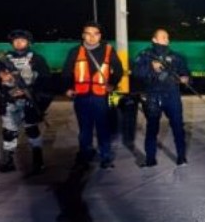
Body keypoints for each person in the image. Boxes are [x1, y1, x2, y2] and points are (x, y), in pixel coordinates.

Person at [0, 29, 52, 175]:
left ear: (28, 42)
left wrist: (33, 92)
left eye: (22, 39)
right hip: (9, 101)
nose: (18, 42)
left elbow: (46, 79)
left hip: (29, 101)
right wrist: (0, 74)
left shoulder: (37, 59)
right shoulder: (3, 59)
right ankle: (8, 160)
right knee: (9, 131)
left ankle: (38, 160)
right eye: (15, 40)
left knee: (32, 130)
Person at [62, 22, 124, 169]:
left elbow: (119, 70)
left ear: (99, 36)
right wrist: (67, 88)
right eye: (88, 33)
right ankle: (85, 155)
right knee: (85, 129)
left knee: (103, 127)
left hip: (100, 96)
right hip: (81, 95)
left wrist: (113, 84)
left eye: (95, 34)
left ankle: (106, 158)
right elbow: (66, 72)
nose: (91, 37)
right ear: (83, 35)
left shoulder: (109, 50)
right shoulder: (75, 51)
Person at [132, 28, 190, 167]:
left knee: (178, 127)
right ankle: (150, 159)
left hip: (172, 95)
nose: (166, 39)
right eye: (163, 36)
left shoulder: (175, 56)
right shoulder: (145, 55)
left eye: (167, 37)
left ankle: (181, 157)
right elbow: (136, 73)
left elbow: (185, 72)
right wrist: (151, 66)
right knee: (152, 128)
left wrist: (185, 78)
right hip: (153, 95)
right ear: (154, 39)